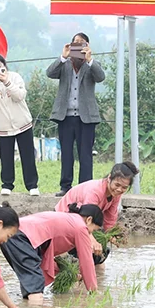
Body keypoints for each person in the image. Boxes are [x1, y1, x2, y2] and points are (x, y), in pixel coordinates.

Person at [1, 204, 103, 303]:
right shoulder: (81, 227)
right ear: (89, 220)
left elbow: (44, 258)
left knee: (31, 282)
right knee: (36, 285)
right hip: (21, 237)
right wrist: (93, 290)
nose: (91, 234)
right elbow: (86, 261)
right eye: (93, 230)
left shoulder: (69, 219)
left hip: (10, 235)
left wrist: (65, 271)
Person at [47, 33, 106, 196]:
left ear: (87, 46)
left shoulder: (92, 64)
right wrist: (62, 57)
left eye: (82, 43)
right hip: (65, 117)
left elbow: (100, 77)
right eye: (75, 43)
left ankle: (85, 188)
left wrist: (89, 60)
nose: (78, 45)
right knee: (66, 153)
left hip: (86, 118)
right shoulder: (64, 64)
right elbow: (49, 73)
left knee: (85, 154)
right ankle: (65, 187)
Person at [55, 161, 138, 264]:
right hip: (64, 218)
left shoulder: (115, 194)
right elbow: (84, 220)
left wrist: (111, 235)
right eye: (117, 184)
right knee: (88, 250)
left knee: (100, 254)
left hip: (82, 221)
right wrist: (92, 240)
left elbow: (110, 220)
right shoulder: (95, 191)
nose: (119, 189)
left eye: (124, 187)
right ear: (109, 178)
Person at [0, 54, 40, 197]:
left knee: (27, 155)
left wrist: (7, 82)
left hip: (23, 123)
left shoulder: (14, 77)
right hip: (4, 126)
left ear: (4, 65)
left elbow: (20, 96)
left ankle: (32, 185)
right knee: (6, 157)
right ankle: (7, 184)